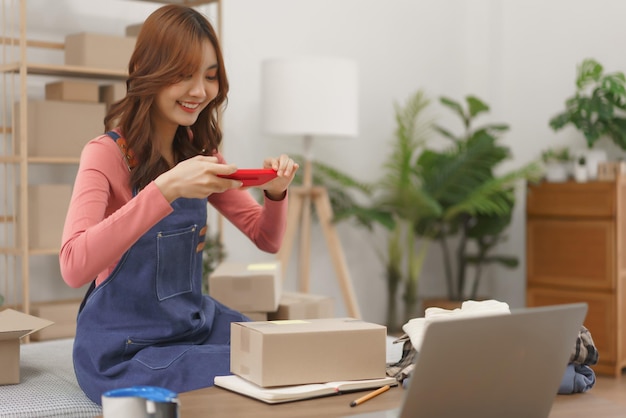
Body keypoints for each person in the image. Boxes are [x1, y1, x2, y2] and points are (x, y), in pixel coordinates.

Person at [59, 4, 298, 405]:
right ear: (148, 71)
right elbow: (72, 264)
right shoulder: (106, 155)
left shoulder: (199, 155)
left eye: (209, 76)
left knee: (281, 350)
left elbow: (266, 238)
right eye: (183, 74)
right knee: (252, 368)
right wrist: (165, 189)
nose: (199, 92)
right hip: (124, 350)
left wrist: (275, 192)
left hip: (192, 325)